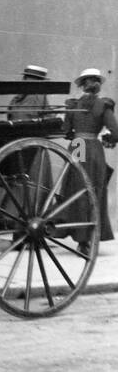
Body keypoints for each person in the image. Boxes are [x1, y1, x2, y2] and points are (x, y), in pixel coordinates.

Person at [64, 69, 117, 250]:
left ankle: (81, 239)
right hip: (94, 150)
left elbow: (66, 130)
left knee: (76, 190)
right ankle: (92, 235)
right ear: (98, 85)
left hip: (77, 147)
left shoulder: (73, 105)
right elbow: (115, 131)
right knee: (95, 191)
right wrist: (109, 140)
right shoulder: (103, 105)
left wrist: (75, 131)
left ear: (81, 85)